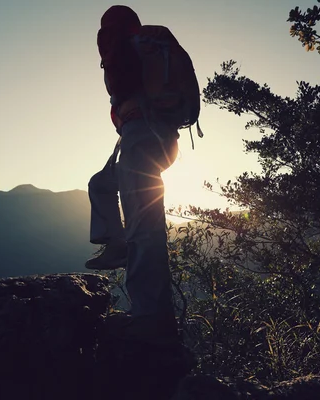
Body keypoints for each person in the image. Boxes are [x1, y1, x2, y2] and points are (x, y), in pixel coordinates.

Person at [85, 5, 180, 345]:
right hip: (147, 136)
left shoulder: (132, 47)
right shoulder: (146, 45)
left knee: (144, 228)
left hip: (145, 135)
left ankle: (148, 317)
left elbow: (134, 91)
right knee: (100, 185)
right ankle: (117, 243)